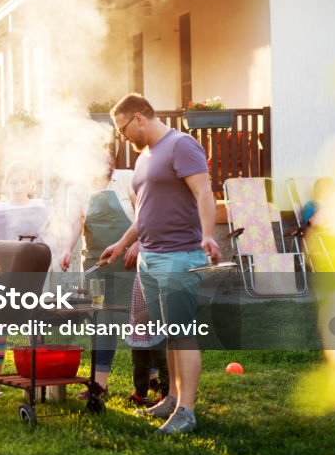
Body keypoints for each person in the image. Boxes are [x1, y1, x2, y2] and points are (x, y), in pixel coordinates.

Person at [100, 94, 221, 435]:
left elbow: (203, 193)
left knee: (181, 333)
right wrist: (123, 243)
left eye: (122, 129)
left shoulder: (181, 146)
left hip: (179, 255)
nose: (122, 136)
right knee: (168, 334)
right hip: (150, 258)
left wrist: (209, 235)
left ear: (138, 118)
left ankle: (187, 410)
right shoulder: (144, 158)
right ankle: (170, 398)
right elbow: (145, 211)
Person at [59, 150, 136, 400]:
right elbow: (74, 224)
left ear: (112, 161)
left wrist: (138, 244)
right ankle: (100, 384)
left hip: (131, 263)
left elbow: (145, 214)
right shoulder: (77, 190)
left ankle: (150, 382)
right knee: (101, 323)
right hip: (96, 268)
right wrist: (66, 249)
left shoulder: (127, 179)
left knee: (141, 320)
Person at [0, 161, 55, 390]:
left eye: (23, 181)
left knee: (34, 325)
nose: (18, 186)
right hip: (8, 275)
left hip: (34, 275)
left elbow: (49, 238)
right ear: (6, 184)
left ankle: (37, 378)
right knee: (0, 326)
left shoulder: (40, 207)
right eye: (14, 181)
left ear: (31, 184)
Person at [125, 275, 169, 406]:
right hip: (140, 323)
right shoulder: (143, 260)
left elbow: (165, 290)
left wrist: (152, 311)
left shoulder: (160, 263)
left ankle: (167, 395)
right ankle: (140, 393)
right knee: (139, 361)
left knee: (162, 361)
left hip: (156, 321)